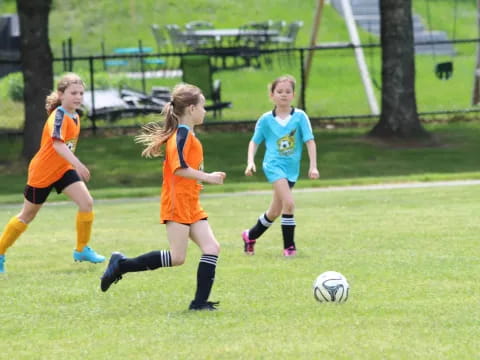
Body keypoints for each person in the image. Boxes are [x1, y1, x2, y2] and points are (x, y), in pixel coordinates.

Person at [100, 84, 226, 311]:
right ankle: (121, 265)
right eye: (202, 106)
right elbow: (179, 169)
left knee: (211, 247)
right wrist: (208, 177)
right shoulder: (181, 135)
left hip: (190, 202)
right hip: (177, 201)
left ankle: (199, 303)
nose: (205, 111)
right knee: (177, 257)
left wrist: (198, 182)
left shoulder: (188, 135)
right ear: (190, 108)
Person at [0, 73, 105, 274]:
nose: (78, 97)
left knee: (86, 203)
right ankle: (0, 252)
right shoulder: (58, 115)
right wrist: (78, 164)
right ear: (61, 94)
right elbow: (58, 145)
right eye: (73, 93)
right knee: (27, 215)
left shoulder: (75, 115)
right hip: (42, 173)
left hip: (63, 170)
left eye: (81, 93)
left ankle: (82, 249)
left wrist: (72, 165)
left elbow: (66, 146)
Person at [242, 75, 319, 257]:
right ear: (272, 95)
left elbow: (310, 141)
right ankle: (289, 247)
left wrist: (313, 166)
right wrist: (250, 161)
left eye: (288, 91)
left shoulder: (300, 117)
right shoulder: (266, 119)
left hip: (291, 169)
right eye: (279, 91)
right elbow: (254, 142)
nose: (283, 95)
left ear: (293, 95)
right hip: (273, 166)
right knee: (289, 204)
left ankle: (250, 235)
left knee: (274, 211)